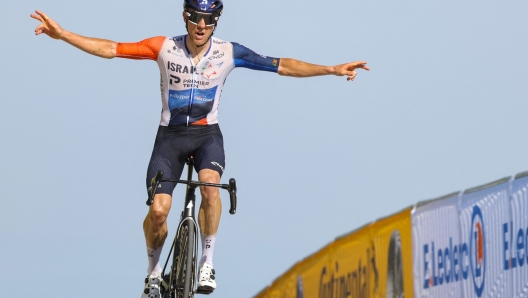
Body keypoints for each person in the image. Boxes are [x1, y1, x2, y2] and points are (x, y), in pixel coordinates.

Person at [31, 1, 369, 297]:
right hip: (170, 138)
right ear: (184, 17)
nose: (201, 26)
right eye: (195, 18)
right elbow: (112, 48)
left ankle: (207, 262)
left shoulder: (228, 52)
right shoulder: (163, 47)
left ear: (217, 20)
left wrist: (331, 69)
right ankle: (153, 273)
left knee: (210, 189)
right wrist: (64, 35)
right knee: (160, 211)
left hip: (208, 137)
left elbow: (282, 65)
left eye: (208, 19)